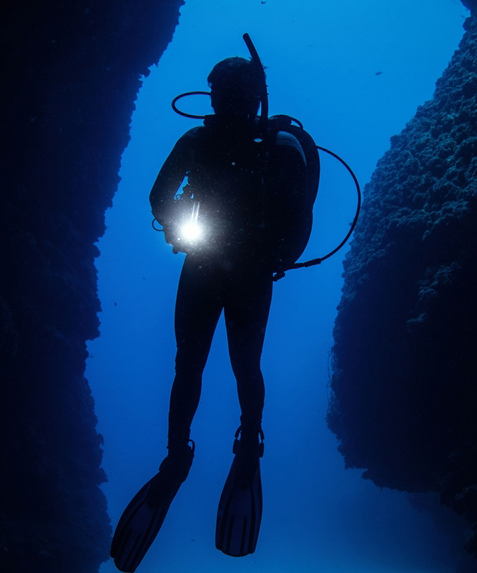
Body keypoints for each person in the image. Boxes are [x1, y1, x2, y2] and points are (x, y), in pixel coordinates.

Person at [110, 55, 307, 572]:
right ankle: (246, 442)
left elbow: (159, 197)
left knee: (193, 365)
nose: (227, 101)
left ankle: (183, 452)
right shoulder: (268, 145)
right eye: (225, 93)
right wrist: (272, 256)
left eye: (229, 93)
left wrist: (180, 228)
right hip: (245, 273)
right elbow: (297, 216)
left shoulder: (218, 143)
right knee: (240, 365)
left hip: (209, 268)